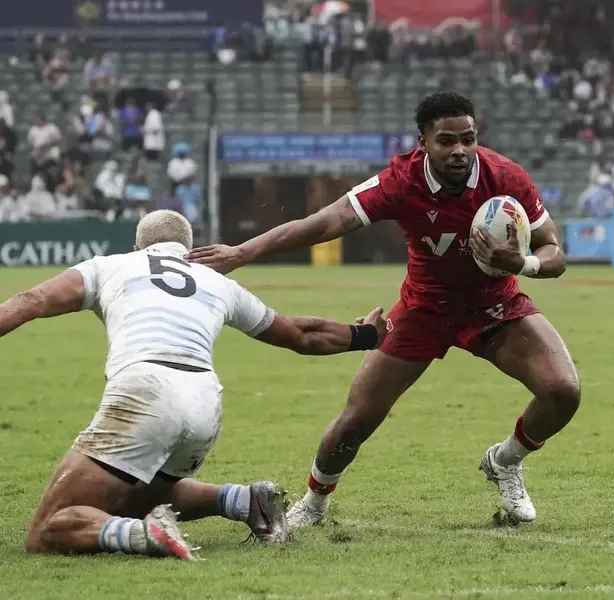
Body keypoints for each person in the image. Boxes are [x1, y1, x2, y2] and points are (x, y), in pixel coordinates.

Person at [187, 92, 580, 528]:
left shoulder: (506, 177)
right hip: (424, 309)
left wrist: (521, 263)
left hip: (494, 304)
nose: (459, 151)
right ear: (423, 142)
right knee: (357, 420)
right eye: (446, 141)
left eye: (468, 139)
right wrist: (242, 252)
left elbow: (554, 252)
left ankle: (505, 461)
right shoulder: (401, 180)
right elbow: (326, 221)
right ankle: (315, 502)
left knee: (563, 391)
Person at [0, 210, 388, 560]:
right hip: (205, 402)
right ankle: (245, 501)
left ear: (137, 247)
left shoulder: (110, 266)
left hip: (144, 391)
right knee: (121, 499)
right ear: (191, 248)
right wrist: (367, 335)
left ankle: (146, 534)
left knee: (49, 528)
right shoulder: (215, 280)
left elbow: (32, 299)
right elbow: (302, 335)